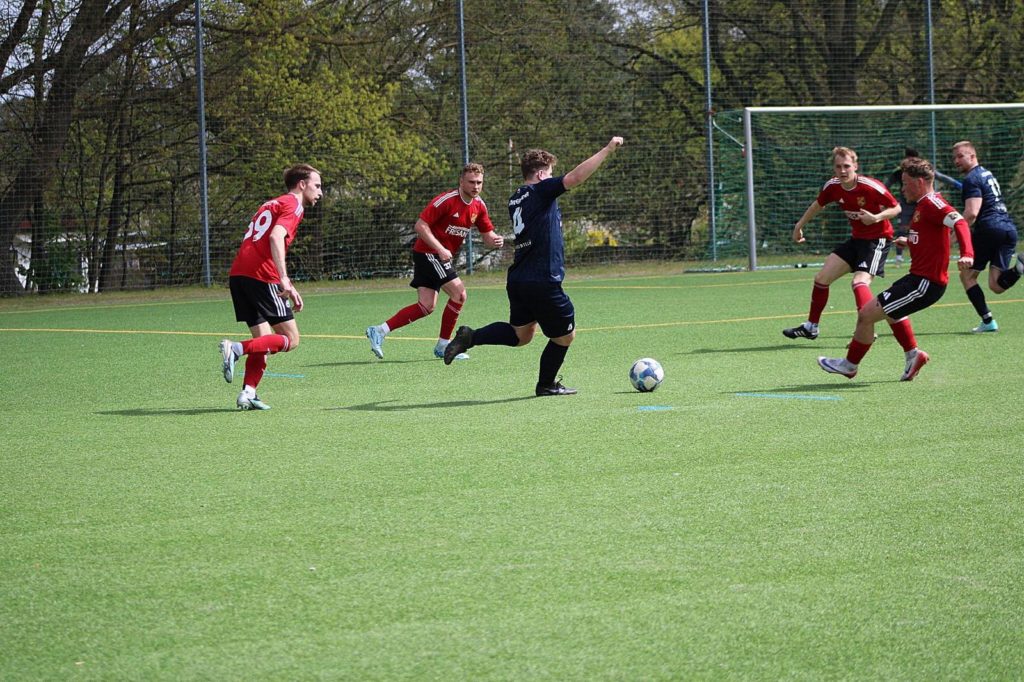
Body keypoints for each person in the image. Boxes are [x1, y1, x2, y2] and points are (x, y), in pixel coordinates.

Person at [442, 136, 624, 396]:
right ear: (540, 175)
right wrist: (606, 150)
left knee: (521, 335)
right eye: (549, 173)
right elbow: (575, 178)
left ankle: (471, 336)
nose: (551, 178)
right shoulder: (541, 190)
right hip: (542, 278)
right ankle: (546, 384)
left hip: (519, 278)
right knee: (565, 336)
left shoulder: (515, 198)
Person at [818, 156, 974, 381]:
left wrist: (967, 254)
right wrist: (909, 241)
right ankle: (913, 356)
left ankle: (849, 365)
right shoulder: (923, 205)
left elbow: (959, 222)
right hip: (916, 279)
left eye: (905, 183)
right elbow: (932, 238)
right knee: (892, 313)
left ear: (919, 182)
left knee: (866, 316)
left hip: (925, 283)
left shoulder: (933, 203)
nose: (902, 189)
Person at [365, 163, 504, 360]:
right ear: (461, 181)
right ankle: (444, 346)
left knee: (426, 306)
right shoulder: (447, 200)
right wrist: (440, 248)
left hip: (436, 255)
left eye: (479, 182)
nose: (476, 186)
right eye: (471, 182)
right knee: (459, 294)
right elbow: (420, 226)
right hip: (429, 253)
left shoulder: (479, 206)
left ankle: (379, 330)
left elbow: (487, 235)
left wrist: (496, 240)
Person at [218, 164, 322, 410]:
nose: (320, 192)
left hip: (239, 275)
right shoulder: (294, 204)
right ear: (302, 184)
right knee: (291, 339)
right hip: (262, 276)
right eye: (317, 186)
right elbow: (276, 236)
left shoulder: (272, 203)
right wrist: (284, 279)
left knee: (265, 341)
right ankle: (236, 349)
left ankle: (248, 393)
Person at [783, 147, 902, 340]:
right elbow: (817, 205)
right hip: (856, 239)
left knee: (859, 282)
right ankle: (811, 327)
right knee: (821, 279)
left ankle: (866, 329)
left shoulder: (871, 186)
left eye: (846, 166)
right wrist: (799, 226)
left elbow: (896, 208)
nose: (843, 170)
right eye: (838, 167)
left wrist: (876, 217)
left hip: (877, 240)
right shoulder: (832, 186)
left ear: (855, 166)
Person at [951, 140, 1024, 332]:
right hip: (1008, 230)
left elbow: (971, 213)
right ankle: (1019, 267)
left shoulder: (971, 179)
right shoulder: (986, 173)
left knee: (967, 275)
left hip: (989, 229)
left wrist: (953, 237)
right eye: (954, 158)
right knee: (996, 285)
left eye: (960, 156)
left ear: (972, 156)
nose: (956, 161)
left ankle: (988, 321)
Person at [885, 146, 962, 264]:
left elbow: (942, 177)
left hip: (921, 204)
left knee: (922, 230)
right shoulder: (899, 173)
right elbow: (886, 185)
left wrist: (958, 185)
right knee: (903, 229)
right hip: (906, 205)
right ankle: (899, 257)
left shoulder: (922, 172)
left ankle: (923, 255)